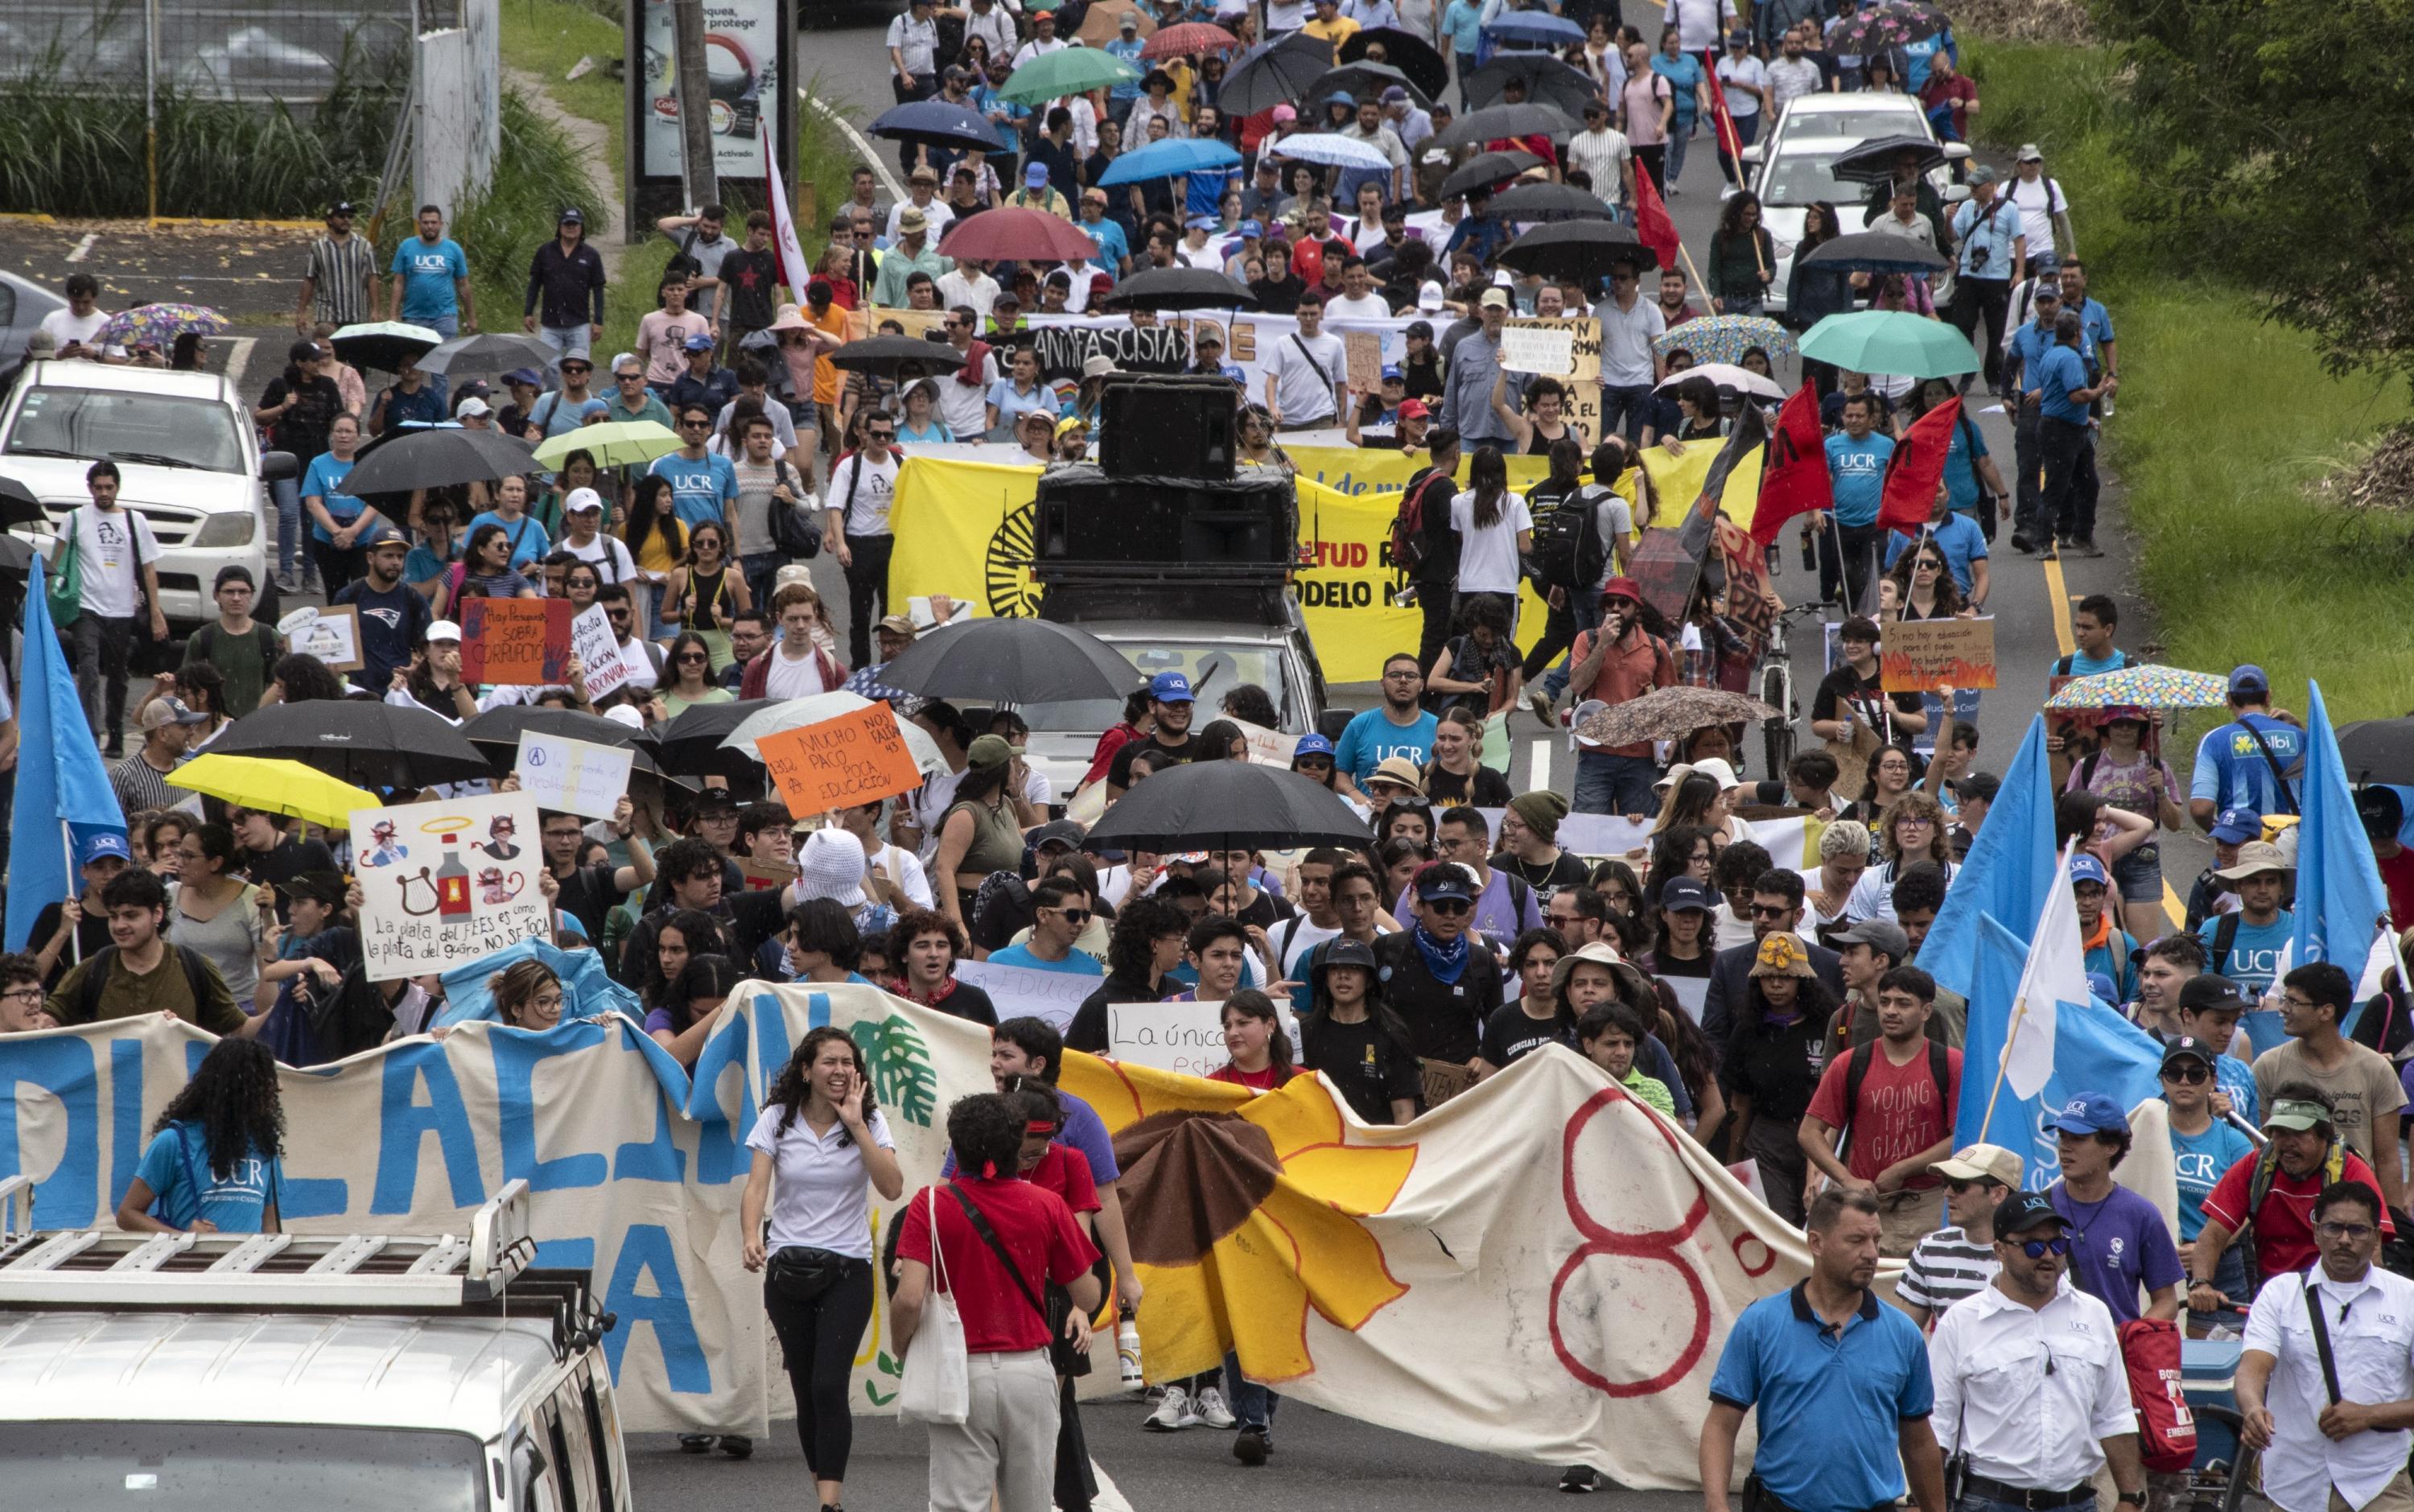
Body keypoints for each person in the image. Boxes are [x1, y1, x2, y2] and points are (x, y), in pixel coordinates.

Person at [893, 1092, 1102, 1512]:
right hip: (1030, 1371)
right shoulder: (1047, 1204)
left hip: (960, 1372)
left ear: (957, 1147)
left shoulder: (930, 1204)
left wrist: (902, 1345)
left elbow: (910, 1297)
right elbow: (1087, 1294)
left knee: (958, 1503)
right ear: (1016, 1144)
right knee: (1030, 1504)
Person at [1701, 1189, 1945, 1512]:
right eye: (1857, 1240)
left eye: (1876, 1239)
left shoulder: (1903, 1334)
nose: (1872, 1253)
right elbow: (1721, 1425)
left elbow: (1918, 1440)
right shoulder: (1760, 1324)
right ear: (1816, 1243)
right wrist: (1716, 1505)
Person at [740, 1026, 904, 1489]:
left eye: (848, 1062)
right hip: (789, 1269)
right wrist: (750, 1235)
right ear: (807, 1070)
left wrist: (854, 1123)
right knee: (807, 1390)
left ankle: (830, 1501)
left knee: (829, 1385)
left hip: (849, 1269)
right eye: (829, 1062)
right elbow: (756, 1186)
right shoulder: (776, 1118)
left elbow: (892, 1187)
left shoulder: (870, 1120)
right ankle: (823, 1487)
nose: (840, 1070)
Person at [1927, 1191, 2147, 1512]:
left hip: (2075, 1501)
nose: (2048, 1255)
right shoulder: (1960, 1323)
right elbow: (1937, 1428)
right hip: (1990, 1501)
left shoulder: (2094, 1314)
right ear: (1999, 1250)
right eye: (2032, 1246)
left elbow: (2114, 1415)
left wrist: (2129, 1498)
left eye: (2057, 1244)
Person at [2232, 1179, 2414, 1512]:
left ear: (2376, 1236)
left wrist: (2369, 1415)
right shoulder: (2280, 1294)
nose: (2344, 1240)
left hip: (2379, 1483)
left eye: (2357, 1230)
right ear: (2316, 1231)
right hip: (2295, 1486)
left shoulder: (2407, 1298)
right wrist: (2253, 1408)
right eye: (2334, 1228)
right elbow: (2252, 1367)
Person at [1798, 965, 1963, 1257]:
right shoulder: (1850, 1063)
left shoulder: (1950, 1064)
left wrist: (1904, 1168)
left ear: (1926, 1012)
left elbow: (1963, 1139)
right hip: (1859, 1205)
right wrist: (1845, 1179)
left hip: (1928, 1204)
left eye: (1903, 1004)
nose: (1890, 1011)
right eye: (1885, 1001)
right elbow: (1809, 1134)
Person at [1708, 933, 1841, 1224]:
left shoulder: (1827, 1025)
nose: (1776, 985)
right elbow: (1739, 1101)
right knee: (1775, 1223)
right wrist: (1734, 1159)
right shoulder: (1747, 1030)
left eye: (1786, 977)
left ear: (1802, 981)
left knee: (1818, 1221)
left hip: (1821, 1135)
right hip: (1767, 1139)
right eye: (1768, 978)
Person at [2251, 963, 2408, 1210]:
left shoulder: (2375, 1069)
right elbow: (2261, 1147)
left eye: (2293, 1002)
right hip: (2285, 1207)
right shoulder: (2268, 1066)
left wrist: (2395, 1228)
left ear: (2326, 1011)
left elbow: (2387, 1159)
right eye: (2283, 999)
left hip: (2355, 1212)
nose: (2282, 1008)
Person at [114, 1037, 285, 1234]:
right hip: (191, 1264)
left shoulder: (266, 1146)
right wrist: (183, 1238)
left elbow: (270, 1227)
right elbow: (127, 1215)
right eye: (265, 1081)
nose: (278, 1088)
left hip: (249, 1265)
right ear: (240, 1089)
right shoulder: (174, 1142)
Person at [46, 868, 248, 1035]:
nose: (119, 925)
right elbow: (43, 1027)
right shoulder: (92, 971)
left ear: (157, 913)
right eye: (113, 916)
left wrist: (279, 1008)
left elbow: (241, 1029)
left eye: (131, 916)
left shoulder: (195, 968)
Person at [2048, 1092, 2185, 1325]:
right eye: (2062, 1135)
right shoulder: (2037, 1207)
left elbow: (2167, 1302)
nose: (2065, 1147)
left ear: (2110, 1147)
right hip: (2047, 1352)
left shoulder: (2142, 1215)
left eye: (2078, 1138)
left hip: (2114, 1356)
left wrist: (2128, 1337)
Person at [64, 460, 167, 758]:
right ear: (89, 488)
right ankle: (90, 736)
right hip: (86, 608)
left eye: (109, 487)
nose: (104, 493)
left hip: (121, 610)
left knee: (118, 675)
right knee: (88, 670)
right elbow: (60, 563)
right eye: (98, 487)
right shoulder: (76, 518)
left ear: (118, 487)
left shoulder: (135, 521)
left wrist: (156, 611)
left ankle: (116, 733)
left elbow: (148, 569)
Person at [1897, 1142, 2021, 1329]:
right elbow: (1904, 1338)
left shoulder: (2035, 1250)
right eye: (1945, 1183)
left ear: (1998, 1194)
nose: (1947, 1193)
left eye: (1959, 1185)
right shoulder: (1930, 1249)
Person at [1298, 937, 1421, 1123]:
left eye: (1354, 969)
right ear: (1327, 980)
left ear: (1369, 981)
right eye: (1335, 969)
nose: (1343, 975)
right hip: (1319, 1144)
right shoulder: (1307, 1033)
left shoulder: (1391, 1035)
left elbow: (1404, 1113)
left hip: (1374, 1145)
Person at [2189, 665, 2306, 829]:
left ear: (2229, 699)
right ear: (2267, 697)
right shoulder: (2299, 736)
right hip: (2292, 841)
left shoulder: (2214, 740)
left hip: (2240, 841)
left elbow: (2201, 809)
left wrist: (2220, 833)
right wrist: (2299, 729)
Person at [2198, 841, 2296, 1011]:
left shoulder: (2299, 930)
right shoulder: (2213, 930)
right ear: (2238, 885)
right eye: (2253, 881)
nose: (2263, 889)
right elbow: (2202, 992)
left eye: (2271, 882)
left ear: (2282, 887)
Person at [387, 204, 475, 336]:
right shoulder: (406, 247)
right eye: (425, 222)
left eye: (434, 222)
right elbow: (399, 282)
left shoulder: (453, 249)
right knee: (414, 357)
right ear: (419, 224)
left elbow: (463, 284)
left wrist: (471, 317)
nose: (429, 226)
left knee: (444, 355)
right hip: (413, 316)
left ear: (441, 224)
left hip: (445, 316)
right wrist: (393, 315)